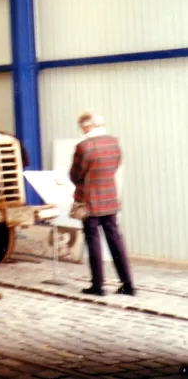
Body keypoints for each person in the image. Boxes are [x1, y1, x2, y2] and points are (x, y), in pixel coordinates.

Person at [69, 110, 135, 297]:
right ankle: (128, 284)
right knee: (115, 239)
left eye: (81, 126)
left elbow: (75, 175)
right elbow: (115, 165)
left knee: (93, 240)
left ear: (87, 126)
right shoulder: (114, 142)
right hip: (110, 198)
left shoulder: (84, 147)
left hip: (89, 200)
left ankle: (98, 285)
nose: (81, 130)